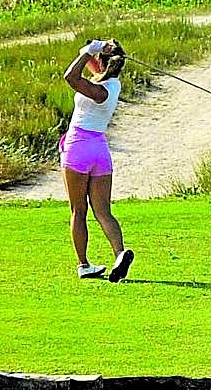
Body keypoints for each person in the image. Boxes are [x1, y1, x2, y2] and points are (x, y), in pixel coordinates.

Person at [61, 38, 134, 282]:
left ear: (101, 61)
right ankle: (120, 253)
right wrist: (95, 50)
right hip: (100, 151)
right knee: (103, 211)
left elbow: (70, 77)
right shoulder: (114, 85)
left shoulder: (100, 91)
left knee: (78, 210)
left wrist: (86, 52)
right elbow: (93, 72)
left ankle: (83, 265)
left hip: (78, 148)